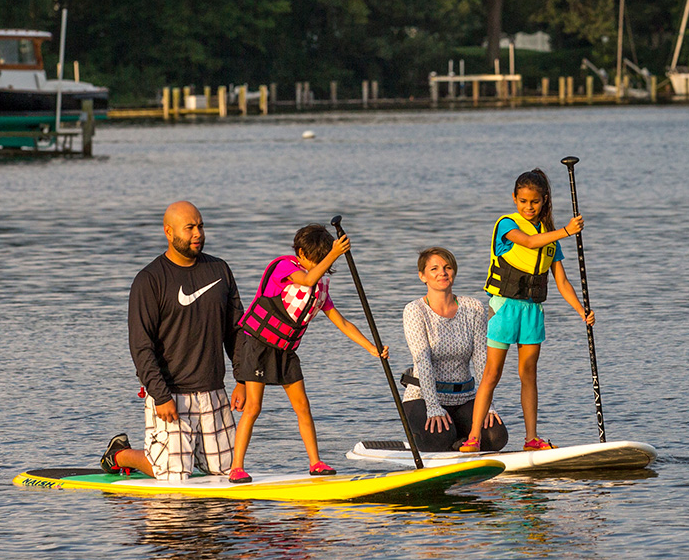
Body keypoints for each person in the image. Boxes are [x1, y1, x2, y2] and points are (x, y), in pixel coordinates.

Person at [228, 223, 388, 483]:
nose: (318, 264)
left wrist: (372, 348)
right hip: (257, 345)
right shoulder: (284, 267)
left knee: (303, 406)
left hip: (285, 350)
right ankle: (236, 467)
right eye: (315, 258)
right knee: (254, 407)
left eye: (322, 258)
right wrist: (334, 254)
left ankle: (315, 462)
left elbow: (343, 322)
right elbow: (306, 279)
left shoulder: (321, 287)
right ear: (301, 253)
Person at [99, 201, 244, 480]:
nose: (198, 233)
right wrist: (161, 395)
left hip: (214, 391)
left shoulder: (220, 270)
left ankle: (183, 453)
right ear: (168, 232)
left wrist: (243, 379)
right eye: (189, 228)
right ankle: (119, 454)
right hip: (170, 395)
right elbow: (141, 346)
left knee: (227, 472)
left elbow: (236, 331)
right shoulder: (149, 280)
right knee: (173, 476)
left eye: (200, 226)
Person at [460, 169, 595, 453]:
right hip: (505, 308)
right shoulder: (507, 224)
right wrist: (568, 230)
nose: (528, 207)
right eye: (523, 201)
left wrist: (582, 311)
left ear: (544, 200)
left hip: (533, 312)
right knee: (492, 373)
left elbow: (562, 281)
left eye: (534, 202)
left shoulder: (550, 238)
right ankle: (473, 437)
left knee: (528, 373)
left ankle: (531, 439)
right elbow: (529, 242)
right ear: (514, 199)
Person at [401, 247, 508, 452]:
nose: (442, 272)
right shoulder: (414, 310)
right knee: (439, 439)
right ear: (422, 276)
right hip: (424, 397)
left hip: (465, 397)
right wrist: (433, 407)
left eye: (447, 267)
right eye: (434, 269)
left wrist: (488, 405)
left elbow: (481, 361)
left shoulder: (473, 307)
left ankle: (461, 440)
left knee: (496, 437)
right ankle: (447, 438)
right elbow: (423, 361)